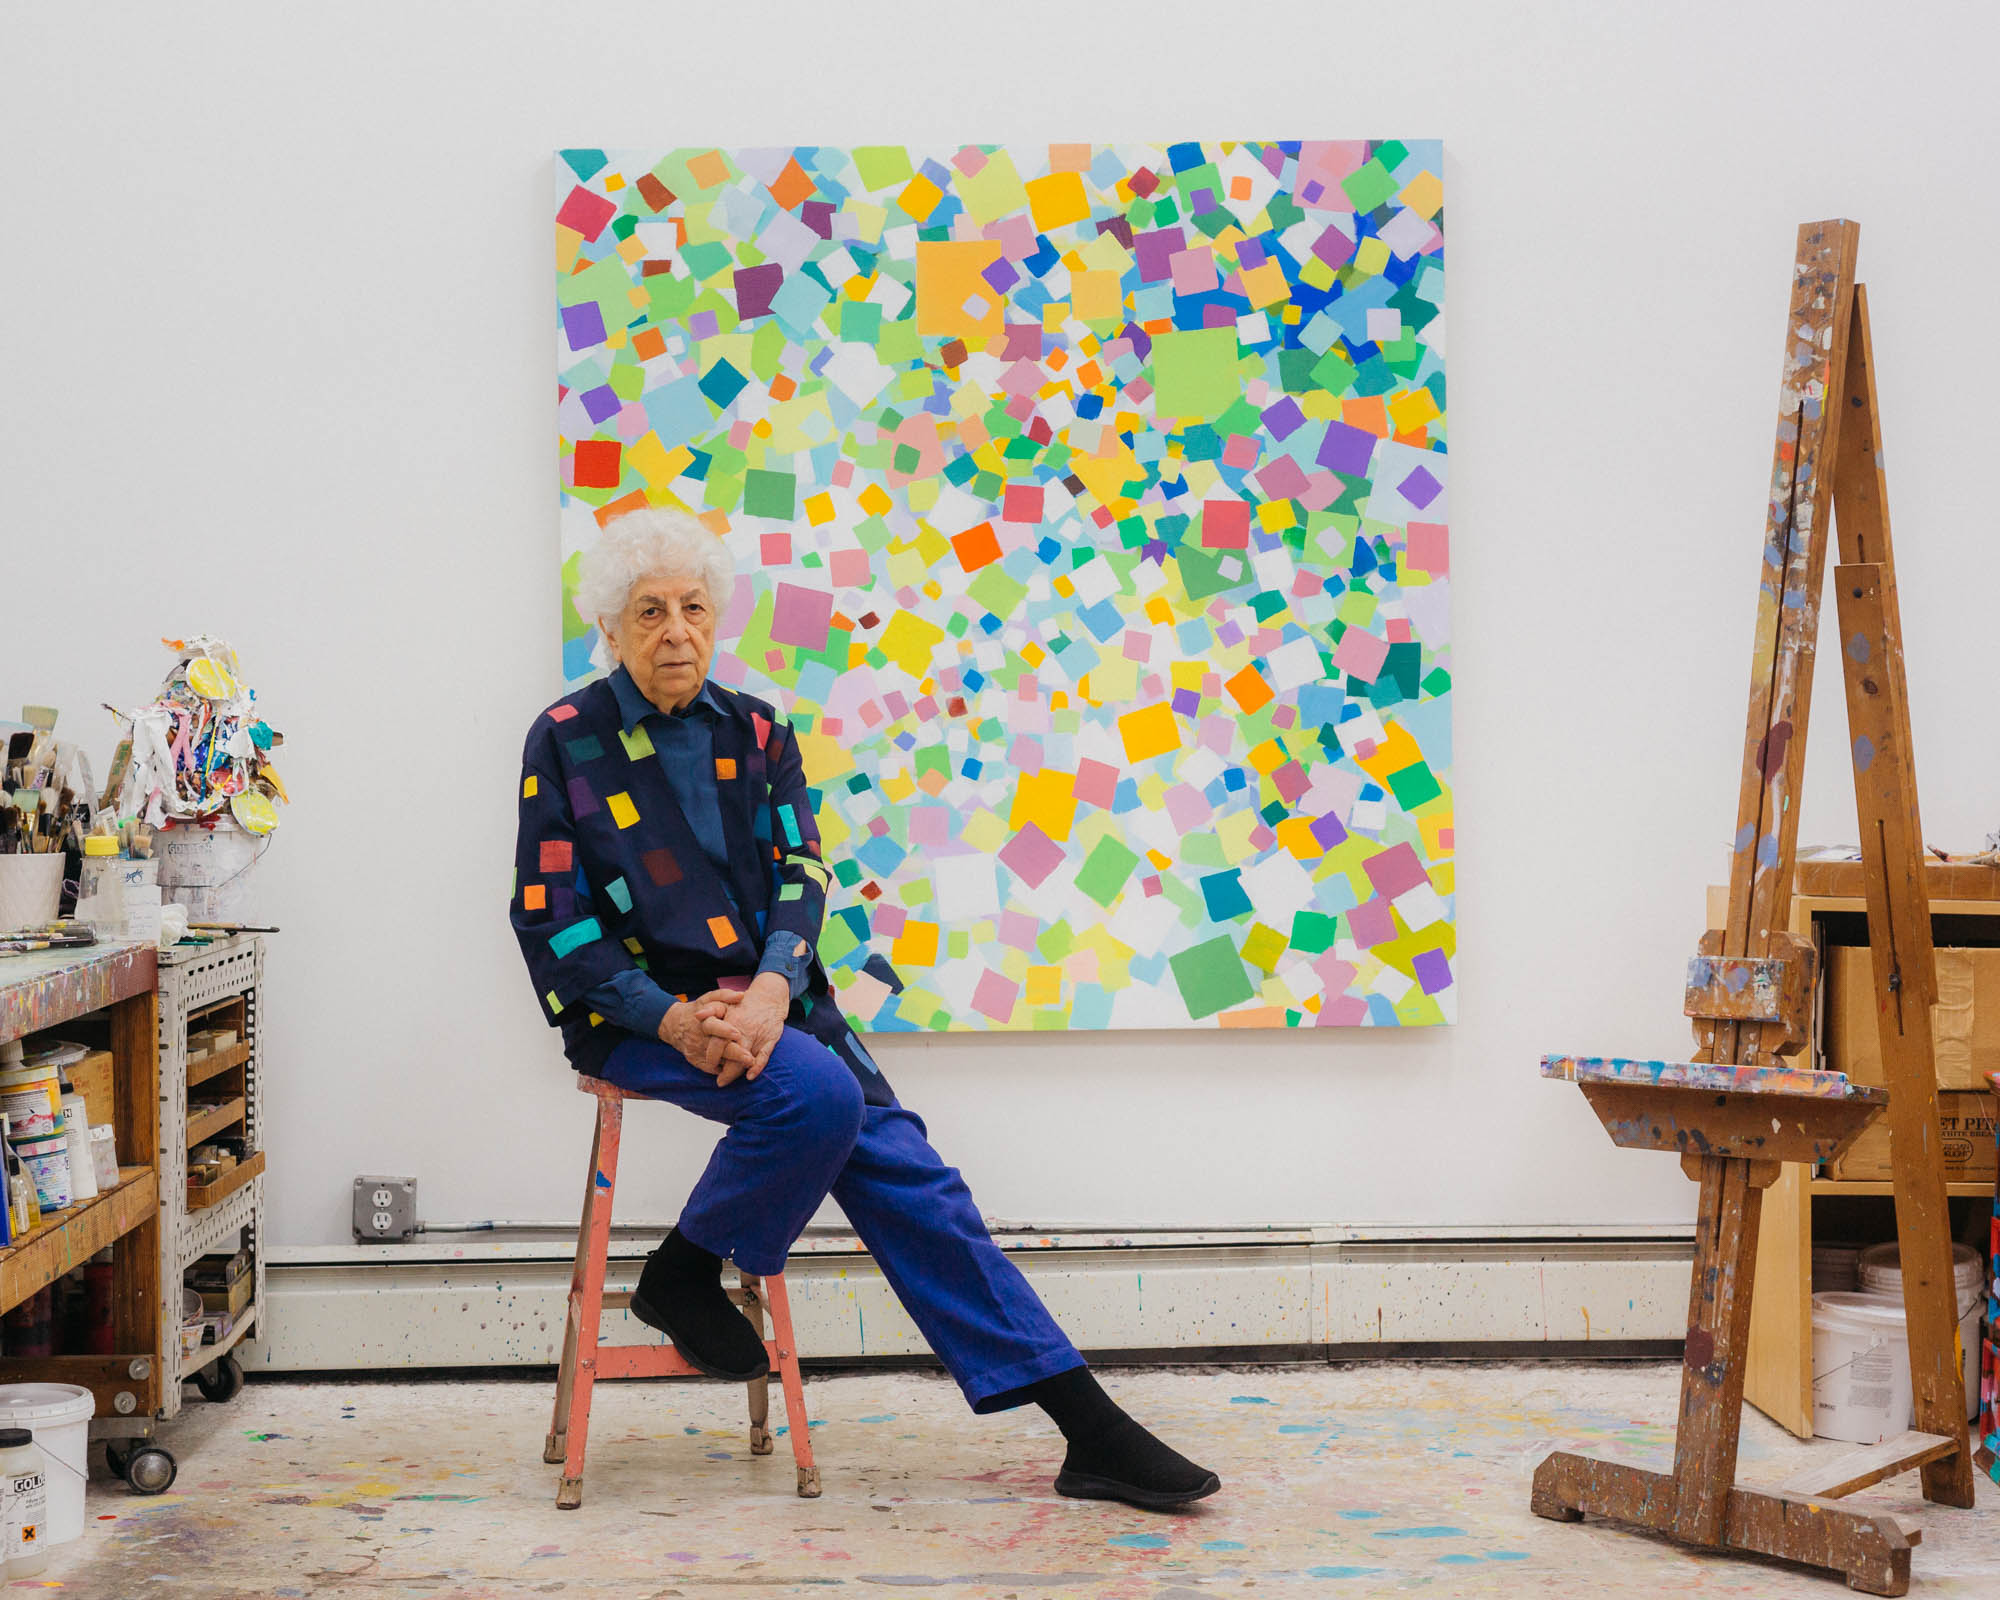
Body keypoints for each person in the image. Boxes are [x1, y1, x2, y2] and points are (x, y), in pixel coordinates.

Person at [511, 507, 1219, 1510]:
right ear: (611, 627)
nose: (675, 630)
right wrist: (674, 1019)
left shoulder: (757, 731)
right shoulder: (566, 738)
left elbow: (803, 869)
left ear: (717, 620)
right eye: (649, 610)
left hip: (771, 1004)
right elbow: (548, 916)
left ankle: (1084, 1424)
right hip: (640, 1017)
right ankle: (680, 1273)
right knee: (816, 1091)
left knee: (918, 1181)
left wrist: (764, 991)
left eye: (693, 607)